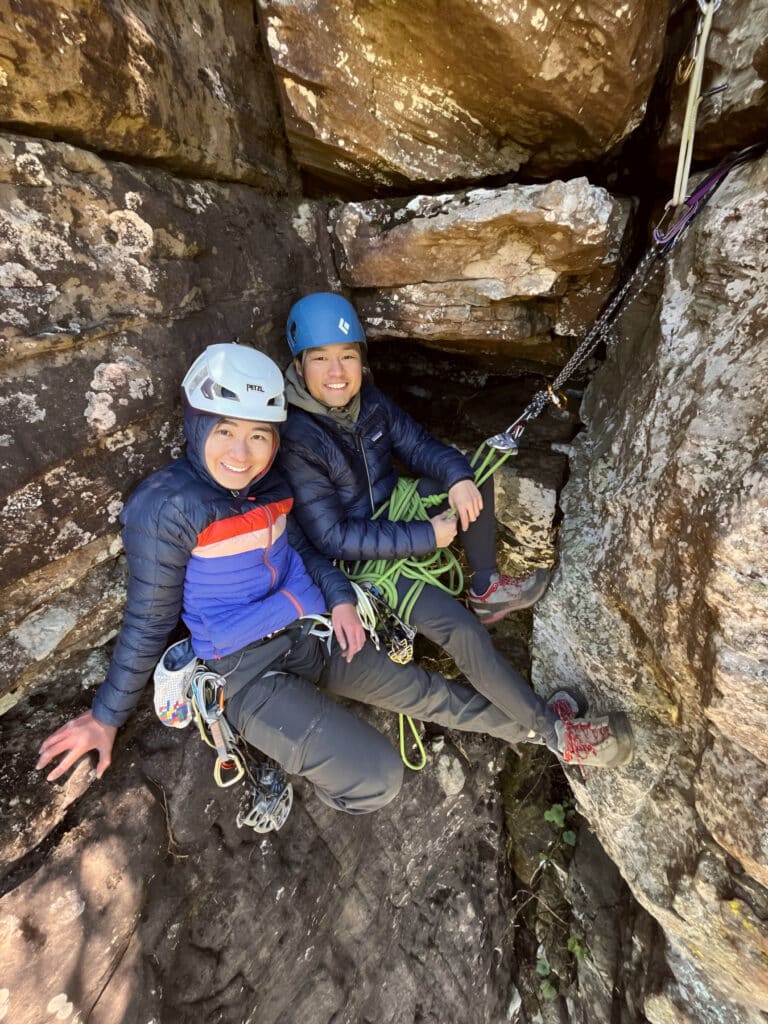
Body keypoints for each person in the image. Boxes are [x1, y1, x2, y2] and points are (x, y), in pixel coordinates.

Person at [36, 344, 621, 816]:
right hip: (244, 671)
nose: (242, 453)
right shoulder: (169, 508)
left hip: (312, 631)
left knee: (427, 692)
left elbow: (306, 551)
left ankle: (550, 734)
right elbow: (148, 619)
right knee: (378, 777)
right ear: (197, 426)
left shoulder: (265, 486)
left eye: (258, 435)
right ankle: (263, 751)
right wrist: (106, 717)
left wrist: (340, 600)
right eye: (224, 431)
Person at [278, 293, 635, 769]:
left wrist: (460, 478)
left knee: (476, 470)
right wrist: (428, 535)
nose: (337, 371)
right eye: (321, 359)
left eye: (348, 356)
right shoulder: (298, 439)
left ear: (362, 359)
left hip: (396, 509)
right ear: (299, 367)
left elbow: (423, 446)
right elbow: (333, 538)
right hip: (365, 563)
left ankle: (486, 586)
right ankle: (557, 734)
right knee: (462, 632)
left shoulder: (371, 403)